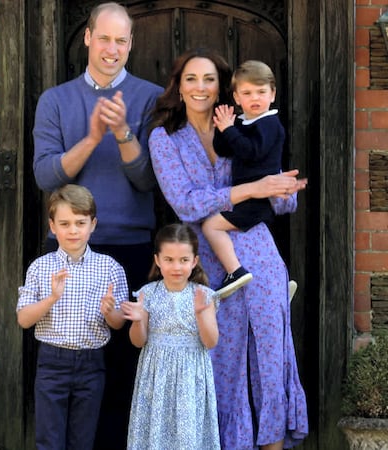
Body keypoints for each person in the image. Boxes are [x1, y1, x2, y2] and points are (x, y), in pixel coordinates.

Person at [147, 48, 309, 450]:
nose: (200, 87)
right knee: (220, 363)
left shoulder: (246, 123)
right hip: (206, 261)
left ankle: (273, 443)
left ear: (223, 88)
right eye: (191, 79)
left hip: (259, 249)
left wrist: (283, 189)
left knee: (271, 359)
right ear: (178, 87)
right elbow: (185, 202)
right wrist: (253, 189)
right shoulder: (164, 137)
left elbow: (279, 198)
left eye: (208, 79)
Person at [32, 3, 163, 447]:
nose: (112, 49)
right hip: (68, 251)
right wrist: (91, 138)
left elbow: (148, 180)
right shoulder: (56, 100)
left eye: (121, 40)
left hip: (129, 248)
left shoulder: (151, 98)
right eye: (103, 38)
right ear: (87, 38)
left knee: (124, 368)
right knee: (65, 369)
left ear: (131, 44)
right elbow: (46, 176)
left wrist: (124, 133)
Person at [16, 184, 128, 450]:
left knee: (83, 439)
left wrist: (110, 311)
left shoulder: (109, 268)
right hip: (52, 362)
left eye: (80, 222)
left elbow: (118, 323)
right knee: (49, 439)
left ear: (93, 224)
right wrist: (52, 298)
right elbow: (24, 320)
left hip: (91, 363)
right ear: (52, 226)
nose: (73, 230)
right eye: (65, 223)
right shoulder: (41, 267)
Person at [121, 223, 220, 450]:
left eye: (184, 260)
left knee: (187, 435)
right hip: (156, 375)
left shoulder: (204, 296)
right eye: (169, 259)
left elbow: (211, 342)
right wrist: (137, 320)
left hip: (190, 375)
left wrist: (202, 314)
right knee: (156, 432)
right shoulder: (148, 293)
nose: (177, 267)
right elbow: (138, 341)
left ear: (194, 261)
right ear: (157, 260)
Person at [203, 60, 285, 299]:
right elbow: (224, 149)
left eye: (261, 92)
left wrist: (230, 130)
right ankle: (273, 284)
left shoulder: (269, 123)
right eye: (247, 93)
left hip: (257, 200)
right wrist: (223, 128)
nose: (255, 98)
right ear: (237, 98)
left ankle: (235, 271)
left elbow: (251, 152)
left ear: (273, 94)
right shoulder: (244, 122)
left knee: (211, 225)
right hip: (246, 196)